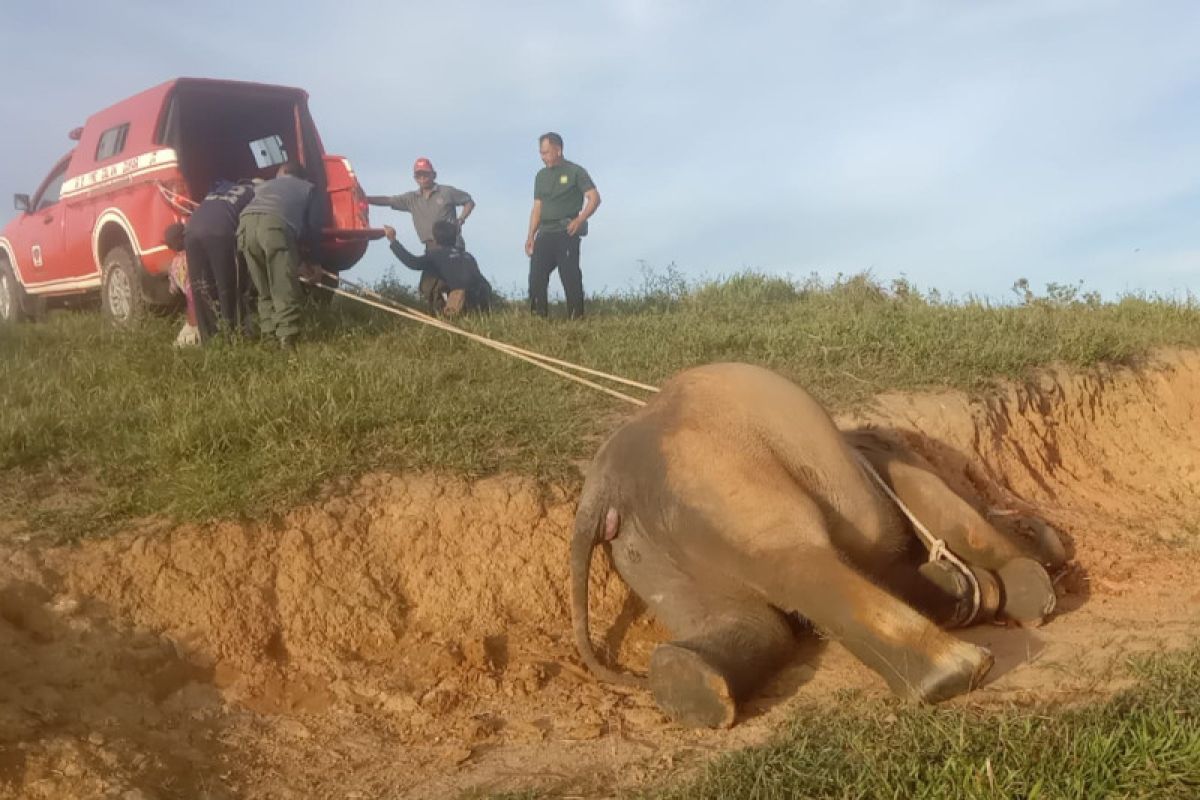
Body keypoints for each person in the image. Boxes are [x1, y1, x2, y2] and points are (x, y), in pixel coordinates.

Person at [237, 162, 325, 350]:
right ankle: (287, 340)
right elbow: (314, 228)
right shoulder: (309, 188)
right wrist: (314, 263)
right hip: (274, 225)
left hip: (245, 224)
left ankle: (268, 337)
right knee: (283, 286)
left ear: (283, 172)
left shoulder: (264, 185)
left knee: (263, 287)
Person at [366, 158, 475, 309]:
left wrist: (461, 219)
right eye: (419, 175)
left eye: (426, 174)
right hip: (431, 247)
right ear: (415, 178)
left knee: (453, 282)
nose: (422, 178)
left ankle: (461, 312)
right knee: (428, 287)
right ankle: (444, 316)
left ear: (433, 175)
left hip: (452, 244)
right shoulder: (411, 199)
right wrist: (365, 199)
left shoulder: (447, 192)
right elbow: (388, 200)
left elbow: (469, 201)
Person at [524, 132, 601, 319]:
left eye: (547, 152)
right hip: (545, 233)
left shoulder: (575, 171)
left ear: (558, 150)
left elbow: (594, 198)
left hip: (566, 231)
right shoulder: (540, 176)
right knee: (536, 277)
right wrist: (530, 236)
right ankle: (537, 318)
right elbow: (537, 208)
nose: (543, 157)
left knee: (570, 276)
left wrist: (580, 219)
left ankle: (576, 318)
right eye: (541, 153)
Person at [184, 179, 256, 341]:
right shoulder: (253, 193)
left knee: (200, 285)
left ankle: (209, 338)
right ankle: (234, 334)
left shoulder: (219, 188)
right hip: (221, 232)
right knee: (229, 285)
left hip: (191, 230)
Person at [384, 219, 491, 316]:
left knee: (429, 272)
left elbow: (412, 262)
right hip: (484, 295)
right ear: (454, 237)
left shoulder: (435, 255)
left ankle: (439, 309)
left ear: (435, 239)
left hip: (460, 297)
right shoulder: (467, 255)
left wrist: (393, 241)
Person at [163, 223, 199, 347]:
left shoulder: (174, 265)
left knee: (177, 345)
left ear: (170, 246)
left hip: (193, 316)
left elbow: (173, 291)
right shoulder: (197, 254)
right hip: (208, 310)